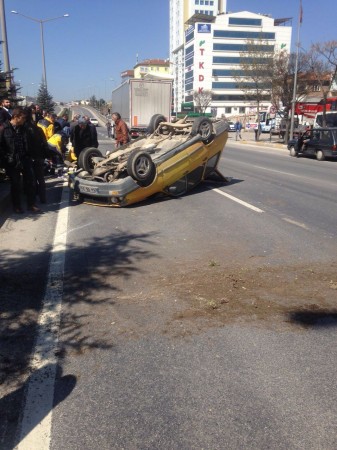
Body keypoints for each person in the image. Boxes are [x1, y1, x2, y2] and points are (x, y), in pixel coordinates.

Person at [0, 107, 40, 213]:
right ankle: (17, 206)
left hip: (25, 159)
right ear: (16, 117)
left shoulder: (23, 128)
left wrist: (30, 155)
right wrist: (6, 159)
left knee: (30, 182)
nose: (24, 120)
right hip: (12, 161)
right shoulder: (4, 128)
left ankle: (31, 204)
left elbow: (28, 143)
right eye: (22, 118)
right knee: (15, 184)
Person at [24, 106, 49, 203]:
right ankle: (43, 198)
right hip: (39, 157)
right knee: (40, 178)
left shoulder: (24, 129)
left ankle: (32, 200)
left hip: (30, 157)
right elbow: (44, 144)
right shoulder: (38, 129)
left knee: (32, 179)